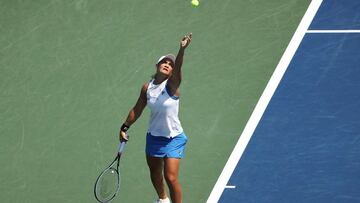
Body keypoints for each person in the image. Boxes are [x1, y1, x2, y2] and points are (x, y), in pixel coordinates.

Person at [119, 33, 192, 203]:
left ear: (172, 71)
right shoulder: (147, 88)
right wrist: (124, 127)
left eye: (170, 64)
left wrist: (181, 50)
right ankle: (163, 199)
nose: (167, 64)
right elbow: (137, 109)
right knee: (154, 173)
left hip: (174, 138)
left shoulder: (172, 86)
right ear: (157, 66)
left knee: (171, 177)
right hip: (154, 137)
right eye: (164, 62)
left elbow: (179, 67)